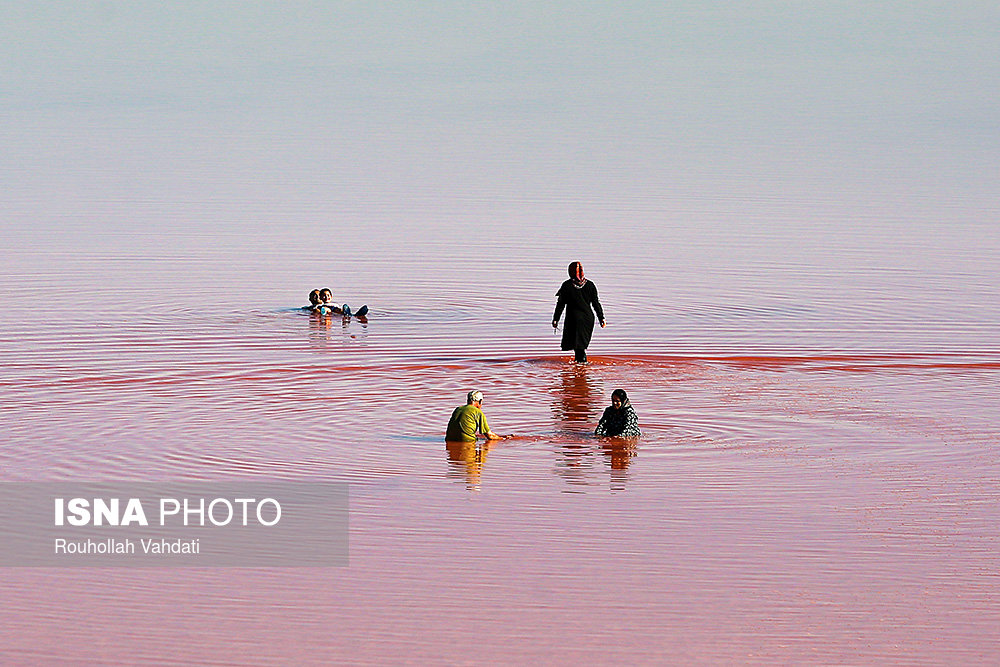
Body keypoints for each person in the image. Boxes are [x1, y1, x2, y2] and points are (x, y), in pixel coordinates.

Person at [552, 261, 605, 362]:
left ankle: (581, 367)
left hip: (573, 319)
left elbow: (560, 304)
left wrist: (555, 319)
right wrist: (601, 318)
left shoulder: (567, 285)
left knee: (578, 346)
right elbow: (596, 303)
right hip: (588, 319)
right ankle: (581, 369)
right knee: (580, 345)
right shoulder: (590, 285)